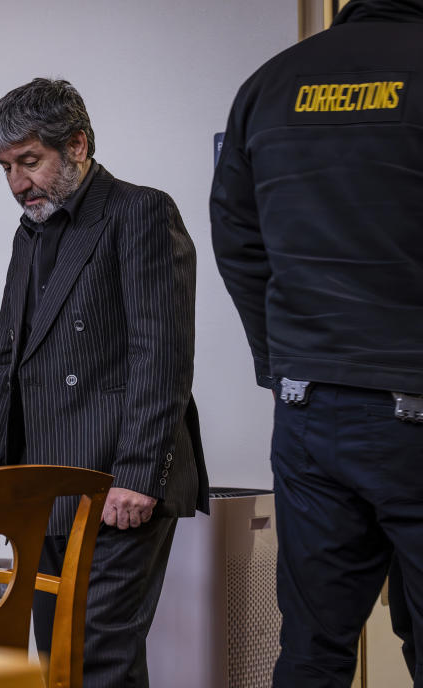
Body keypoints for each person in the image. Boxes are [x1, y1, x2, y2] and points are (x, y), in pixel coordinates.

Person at [0, 77, 208, 688]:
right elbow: (8, 363)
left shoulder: (140, 211)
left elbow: (163, 353)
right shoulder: (32, 231)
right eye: (6, 168)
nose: (17, 183)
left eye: (29, 162)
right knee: (58, 661)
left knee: (96, 660)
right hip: (45, 482)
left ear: (76, 145)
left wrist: (137, 474)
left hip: (119, 485)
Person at [210, 1, 423, 685]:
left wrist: (282, 364)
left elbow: (237, 241)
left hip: (310, 417)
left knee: (311, 652)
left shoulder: (269, 85)